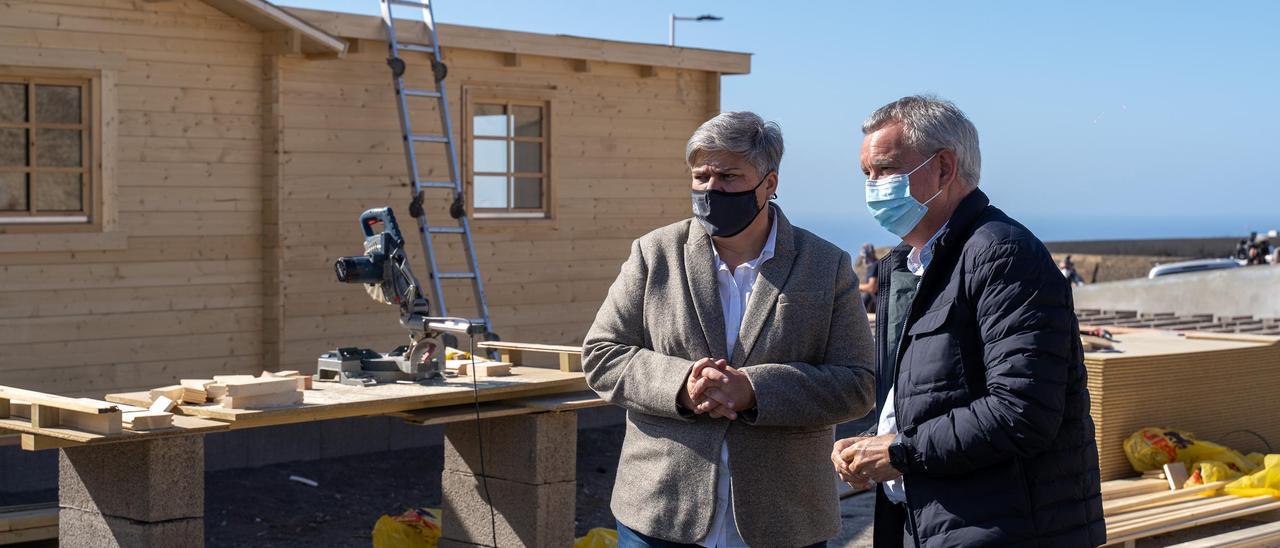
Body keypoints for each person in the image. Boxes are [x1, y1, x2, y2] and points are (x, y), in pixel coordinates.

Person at [583, 111, 876, 547]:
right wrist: (682, 385)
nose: (711, 189)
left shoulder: (826, 265)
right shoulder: (654, 253)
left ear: (769, 183)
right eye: (700, 176)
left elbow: (858, 383)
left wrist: (755, 391)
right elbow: (602, 355)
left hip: (783, 518)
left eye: (728, 176)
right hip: (660, 514)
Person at [832, 95, 1105, 547]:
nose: (874, 186)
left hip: (1004, 528)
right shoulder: (906, 266)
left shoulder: (1002, 254)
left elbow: (1022, 410)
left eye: (886, 170)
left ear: (943, 168)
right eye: (867, 174)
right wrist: (873, 441)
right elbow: (929, 396)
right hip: (932, 522)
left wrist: (899, 451)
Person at [858, 243, 881, 313]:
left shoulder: (874, 265)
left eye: (862, 256)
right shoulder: (879, 264)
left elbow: (872, 288)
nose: (861, 258)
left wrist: (856, 286)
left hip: (878, 304)